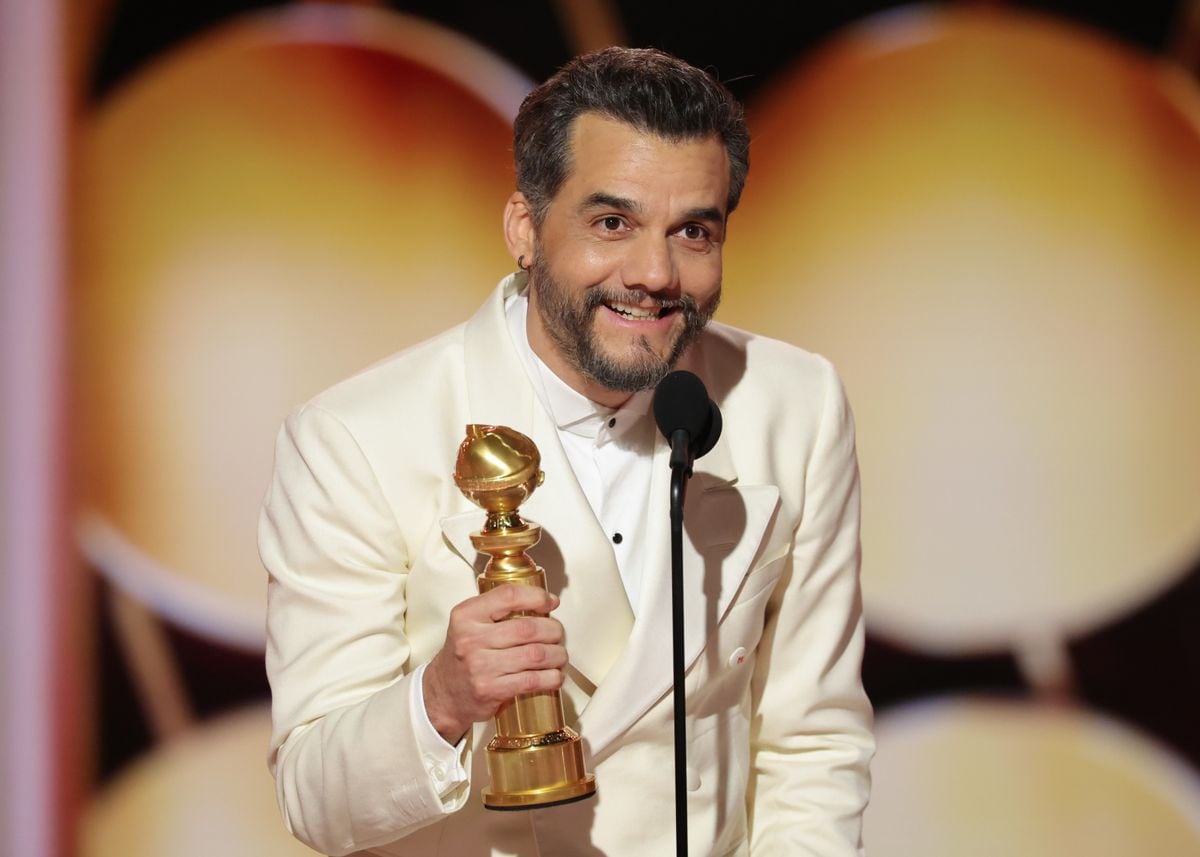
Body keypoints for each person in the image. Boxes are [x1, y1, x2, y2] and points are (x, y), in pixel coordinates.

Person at [260, 46, 873, 857]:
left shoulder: (796, 403)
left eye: (693, 231)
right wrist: (440, 700)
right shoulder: (353, 439)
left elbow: (812, 743)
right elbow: (314, 795)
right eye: (612, 223)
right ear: (525, 228)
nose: (654, 273)